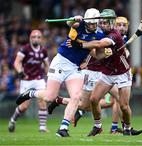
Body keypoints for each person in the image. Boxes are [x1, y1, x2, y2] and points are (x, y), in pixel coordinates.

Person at [16, 8, 105, 137]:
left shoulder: (100, 35)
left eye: (94, 23)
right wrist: (74, 18)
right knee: (49, 97)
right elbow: (70, 23)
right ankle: (31, 93)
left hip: (75, 68)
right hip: (61, 62)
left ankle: (63, 128)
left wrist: (105, 52)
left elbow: (98, 55)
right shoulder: (79, 25)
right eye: (90, 23)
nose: (92, 26)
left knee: (76, 96)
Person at [68, 9, 142, 136]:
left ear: (111, 23)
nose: (102, 25)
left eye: (105, 23)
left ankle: (127, 128)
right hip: (107, 72)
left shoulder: (114, 35)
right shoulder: (100, 32)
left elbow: (99, 44)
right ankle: (98, 126)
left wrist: (80, 45)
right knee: (93, 99)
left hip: (122, 73)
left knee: (124, 105)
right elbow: (96, 51)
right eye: (101, 23)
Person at [8, 30, 49, 133]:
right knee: (24, 106)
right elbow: (17, 62)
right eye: (34, 37)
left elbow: (46, 65)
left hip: (39, 79)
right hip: (27, 80)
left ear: (41, 39)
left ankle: (42, 128)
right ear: (30, 38)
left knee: (43, 101)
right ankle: (13, 119)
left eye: (38, 37)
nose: (36, 39)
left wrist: (50, 77)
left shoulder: (43, 50)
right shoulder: (25, 49)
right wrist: (20, 71)